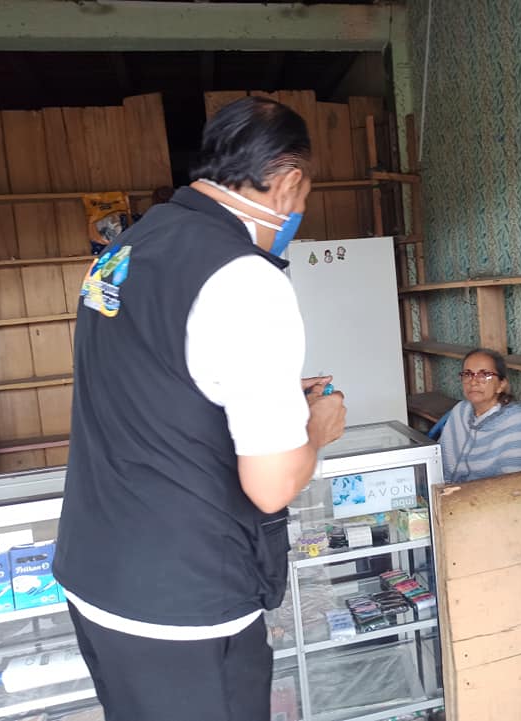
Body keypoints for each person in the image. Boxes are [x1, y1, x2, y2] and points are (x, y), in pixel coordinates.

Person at [53, 97, 347, 721]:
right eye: (303, 195)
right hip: (184, 603)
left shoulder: (126, 248)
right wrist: (314, 430)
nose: (299, 211)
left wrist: (264, 396)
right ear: (289, 182)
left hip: (95, 573)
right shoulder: (245, 277)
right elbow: (271, 485)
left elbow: (156, 379)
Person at [439, 348, 521, 483]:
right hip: (448, 491)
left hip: (491, 494)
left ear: (501, 385)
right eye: (467, 374)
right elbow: (438, 462)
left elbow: (514, 482)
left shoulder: (516, 419)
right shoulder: (460, 411)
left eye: (484, 375)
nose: (473, 382)